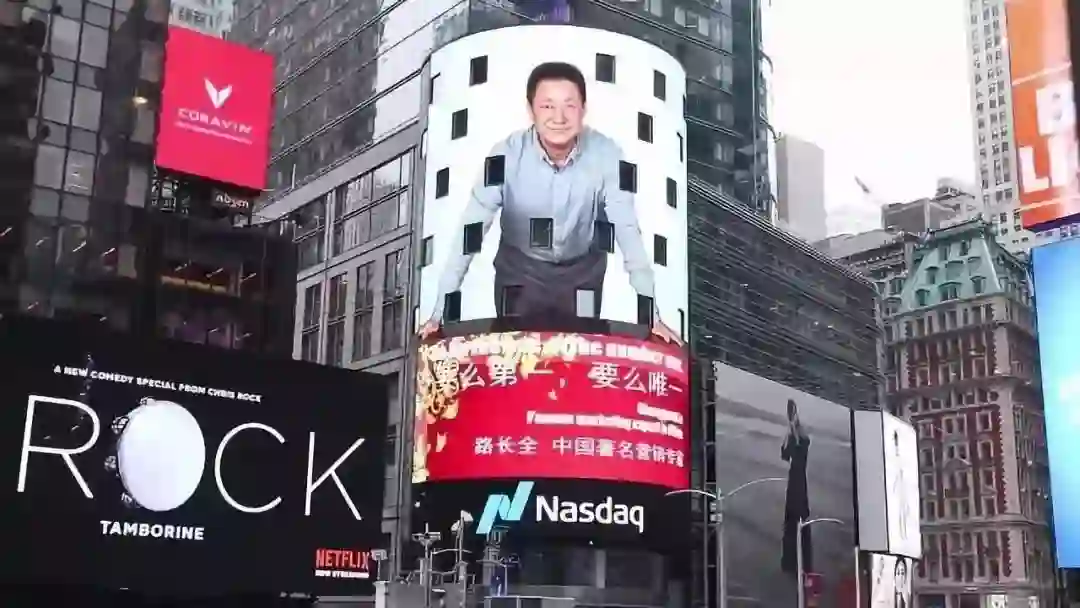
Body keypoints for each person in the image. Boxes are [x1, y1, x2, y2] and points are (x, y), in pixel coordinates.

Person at [418, 61, 680, 343]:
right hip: (520, 271)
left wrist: (652, 316)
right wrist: (438, 313)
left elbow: (628, 232)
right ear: (530, 110)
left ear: (584, 109)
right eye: (547, 106)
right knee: (517, 353)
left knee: (580, 351)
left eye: (569, 105)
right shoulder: (503, 157)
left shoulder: (609, 155)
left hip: (583, 273)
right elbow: (470, 232)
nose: (559, 117)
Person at [781, 398, 812, 575]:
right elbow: (786, 454)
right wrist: (789, 432)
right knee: (797, 519)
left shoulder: (798, 435)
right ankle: (798, 561)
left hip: (797, 479)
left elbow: (787, 454)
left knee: (795, 519)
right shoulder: (797, 433)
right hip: (798, 478)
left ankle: (794, 562)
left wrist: (790, 432)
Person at [891, 429, 911, 542]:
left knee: (903, 513)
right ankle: (903, 534)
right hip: (900, 491)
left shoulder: (901, 460)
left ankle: (903, 534)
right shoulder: (898, 459)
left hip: (902, 492)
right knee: (901, 514)